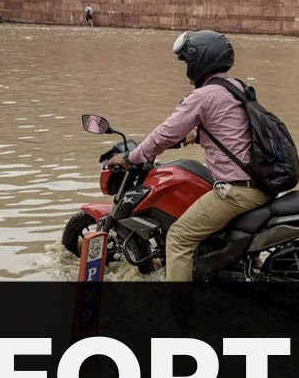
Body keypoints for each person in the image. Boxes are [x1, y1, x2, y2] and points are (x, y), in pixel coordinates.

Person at [105, 30, 270, 282]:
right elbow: (232, 131)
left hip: (237, 192)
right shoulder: (237, 87)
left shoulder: (202, 96)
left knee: (179, 238)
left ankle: (178, 315)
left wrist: (130, 158)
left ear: (201, 59)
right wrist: (195, 136)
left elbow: (163, 134)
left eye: (187, 61)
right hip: (262, 183)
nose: (187, 67)